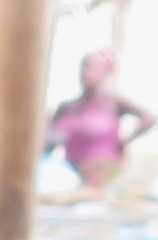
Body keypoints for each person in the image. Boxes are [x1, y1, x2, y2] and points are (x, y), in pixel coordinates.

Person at [46, 48, 152, 194]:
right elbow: (47, 142)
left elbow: (149, 118)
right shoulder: (66, 108)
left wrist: (125, 140)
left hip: (105, 179)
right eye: (84, 67)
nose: (86, 73)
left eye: (93, 68)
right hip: (70, 175)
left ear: (105, 73)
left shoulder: (113, 103)